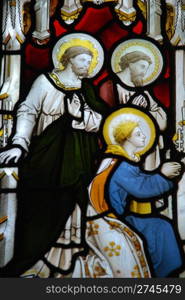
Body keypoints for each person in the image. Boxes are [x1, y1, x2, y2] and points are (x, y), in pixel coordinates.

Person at [0, 38, 108, 276]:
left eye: (90, 62)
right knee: (44, 208)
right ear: (68, 59)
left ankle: (69, 263)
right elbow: (28, 111)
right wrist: (19, 143)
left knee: (74, 208)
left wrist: (80, 115)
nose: (87, 66)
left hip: (80, 159)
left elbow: (102, 121)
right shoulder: (45, 82)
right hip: (47, 158)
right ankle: (34, 263)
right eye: (83, 60)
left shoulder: (87, 89)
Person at [84, 107, 183, 277]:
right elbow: (141, 189)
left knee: (161, 227)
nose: (144, 136)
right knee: (161, 228)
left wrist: (161, 175)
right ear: (127, 138)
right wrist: (163, 175)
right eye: (138, 134)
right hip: (109, 220)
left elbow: (139, 180)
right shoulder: (119, 163)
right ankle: (161, 276)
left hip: (115, 216)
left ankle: (161, 274)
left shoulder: (116, 160)